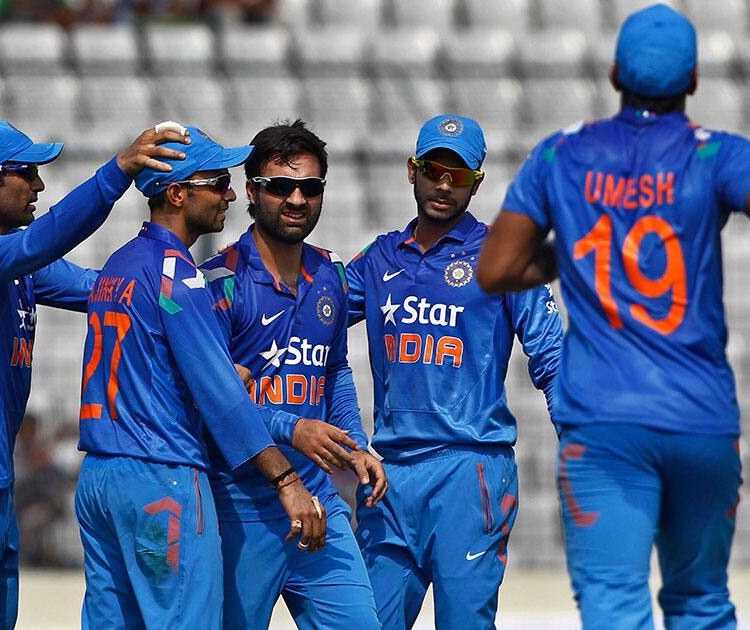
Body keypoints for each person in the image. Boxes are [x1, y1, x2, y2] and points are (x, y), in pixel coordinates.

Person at [476, 5, 750, 628]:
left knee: (615, 605)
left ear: (615, 74)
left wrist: (575, 253)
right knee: (701, 603)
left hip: (605, 427)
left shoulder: (562, 155)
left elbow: (498, 269)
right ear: (693, 81)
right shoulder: (715, 152)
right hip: (702, 420)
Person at [0, 118, 190, 629]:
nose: (39, 185)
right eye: (26, 172)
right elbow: (41, 244)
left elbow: (107, 292)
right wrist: (116, 172)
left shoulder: (10, 260)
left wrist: (196, 300)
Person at [74, 126, 327, 629]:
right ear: (177, 192)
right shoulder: (179, 273)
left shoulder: (121, 264)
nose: (230, 194)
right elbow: (223, 401)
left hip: (100, 480)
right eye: (216, 182)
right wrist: (287, 478)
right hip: (160, 475)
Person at [345, 114, 563, 628]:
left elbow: (551, 356)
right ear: (412, 171)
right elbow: (311, 318)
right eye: (434, 170)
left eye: (459, 175)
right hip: (390, 476)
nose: (444, 185)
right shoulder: (379, 260)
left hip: (470, 469)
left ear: (476, 182)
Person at [199, 120, 385, 629]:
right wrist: (293, 428)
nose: (297, 198)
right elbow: (214, 404)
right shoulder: (219, 282)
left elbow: (335, 371)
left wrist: (356, 445)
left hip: (319, 503)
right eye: (281, 186)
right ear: (252, 194)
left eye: (311, 187)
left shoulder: (333, 274)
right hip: (241, 508)